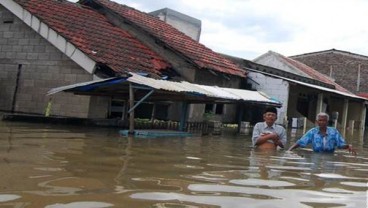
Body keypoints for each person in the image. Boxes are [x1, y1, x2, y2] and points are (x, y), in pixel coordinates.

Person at [288, 112, 356, 154]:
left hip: (330, 156)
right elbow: (300, 142)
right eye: (320, 120)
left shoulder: (334, 131)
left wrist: (348, 146)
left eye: (324, 120)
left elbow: (340, 145)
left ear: (327, 122)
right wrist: (289, 151)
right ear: (317, 122)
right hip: (316, 156)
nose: (322, 122)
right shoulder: (313, 132)